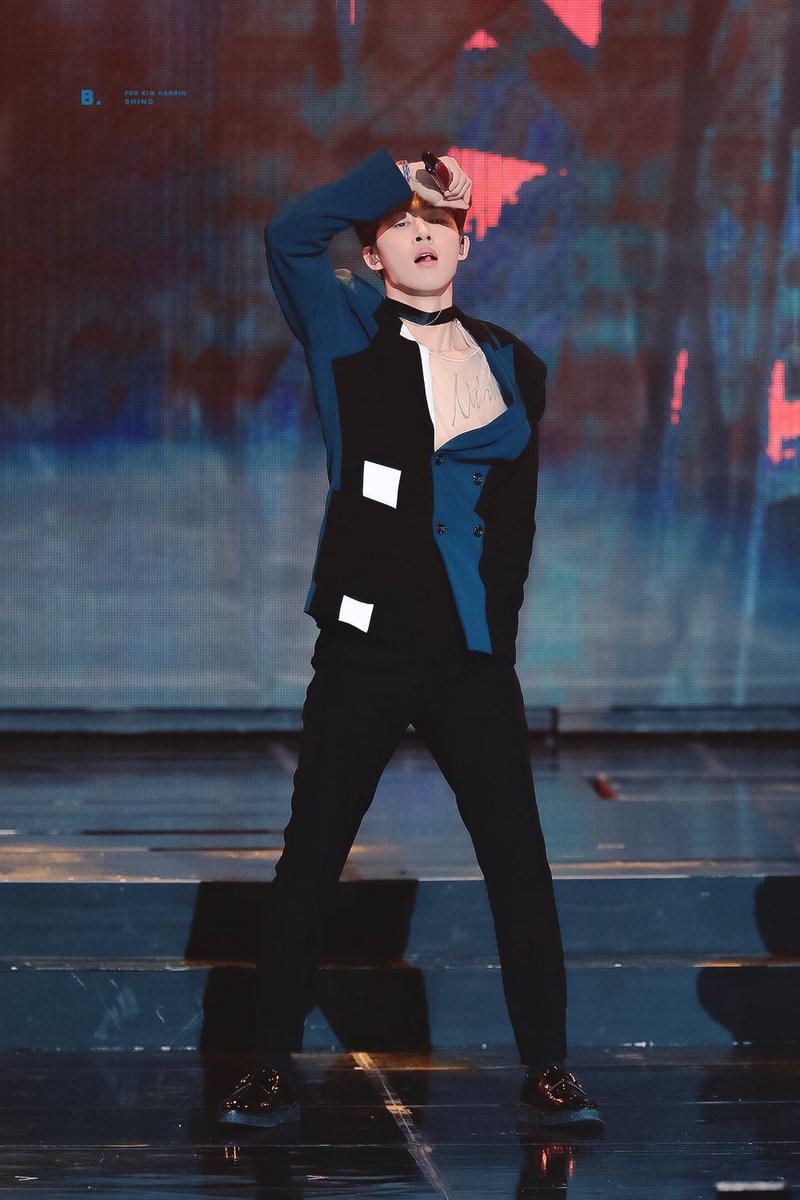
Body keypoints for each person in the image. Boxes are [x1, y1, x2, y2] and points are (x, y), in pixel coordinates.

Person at [215, 151, 603, 1131]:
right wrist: (392, 172)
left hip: (468, 657)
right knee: (312, 855)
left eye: (439, 221)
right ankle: (268, 1066)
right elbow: (290, 236)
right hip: (367, 647)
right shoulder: (345, 326)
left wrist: (494, 634)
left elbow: (509, 522)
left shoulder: (513, 362)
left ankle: (548, 1066)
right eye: (400, 223)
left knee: (518, 860)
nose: (423, 233)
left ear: (465, 247)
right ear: (374, 256)